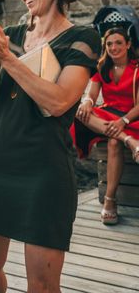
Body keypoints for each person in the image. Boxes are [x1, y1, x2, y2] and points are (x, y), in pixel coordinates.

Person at [0, 0, 101, 292]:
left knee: (42, 284)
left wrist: (6, 59)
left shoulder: (83, 39)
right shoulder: (11, 34)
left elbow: (59, 102)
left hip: (44, 167)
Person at [72, 27, 139, 224]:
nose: (113, 47)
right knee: (79, 110)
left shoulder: (137, 69)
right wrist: (87, 102)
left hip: (131, 119)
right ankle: (131, 142)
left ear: (128, 44)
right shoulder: (101, 68)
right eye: (109, 44)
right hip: (108, 118)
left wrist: (123, 121)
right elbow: (91, 96)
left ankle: (109, 201)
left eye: (119, 42)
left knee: (113, 143)